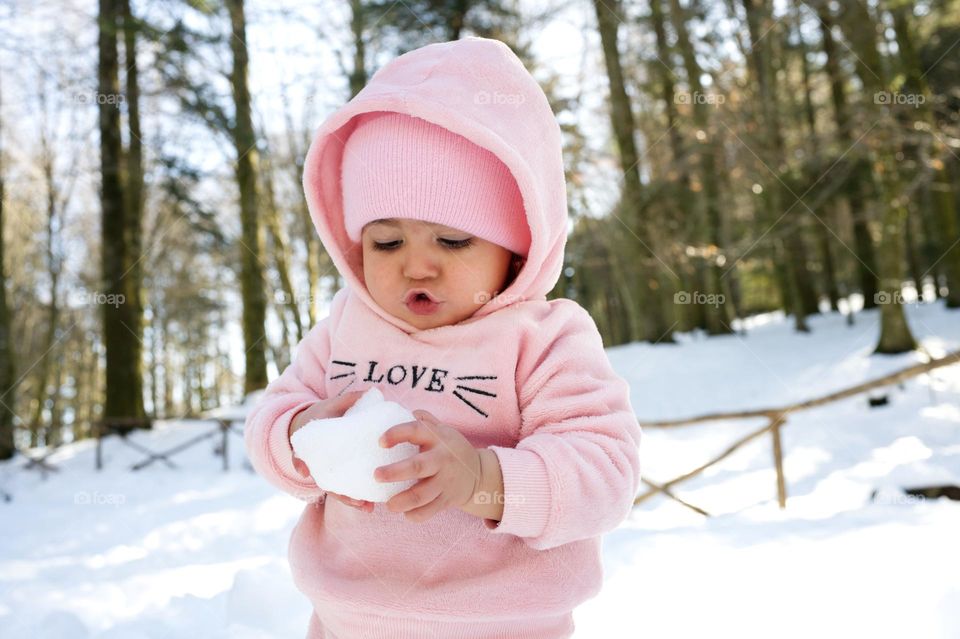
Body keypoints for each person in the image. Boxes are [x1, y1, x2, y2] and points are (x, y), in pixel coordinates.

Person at [244, 36, 641, 639]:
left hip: (504, 625)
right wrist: (302, 435)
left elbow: (604, 472)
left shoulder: (542, 338)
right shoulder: (345, 330)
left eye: (452, 241)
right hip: (346, 621)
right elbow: (271, 420)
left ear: (516, 249)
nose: (417, 266)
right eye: (386, 241)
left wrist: (484, 479)